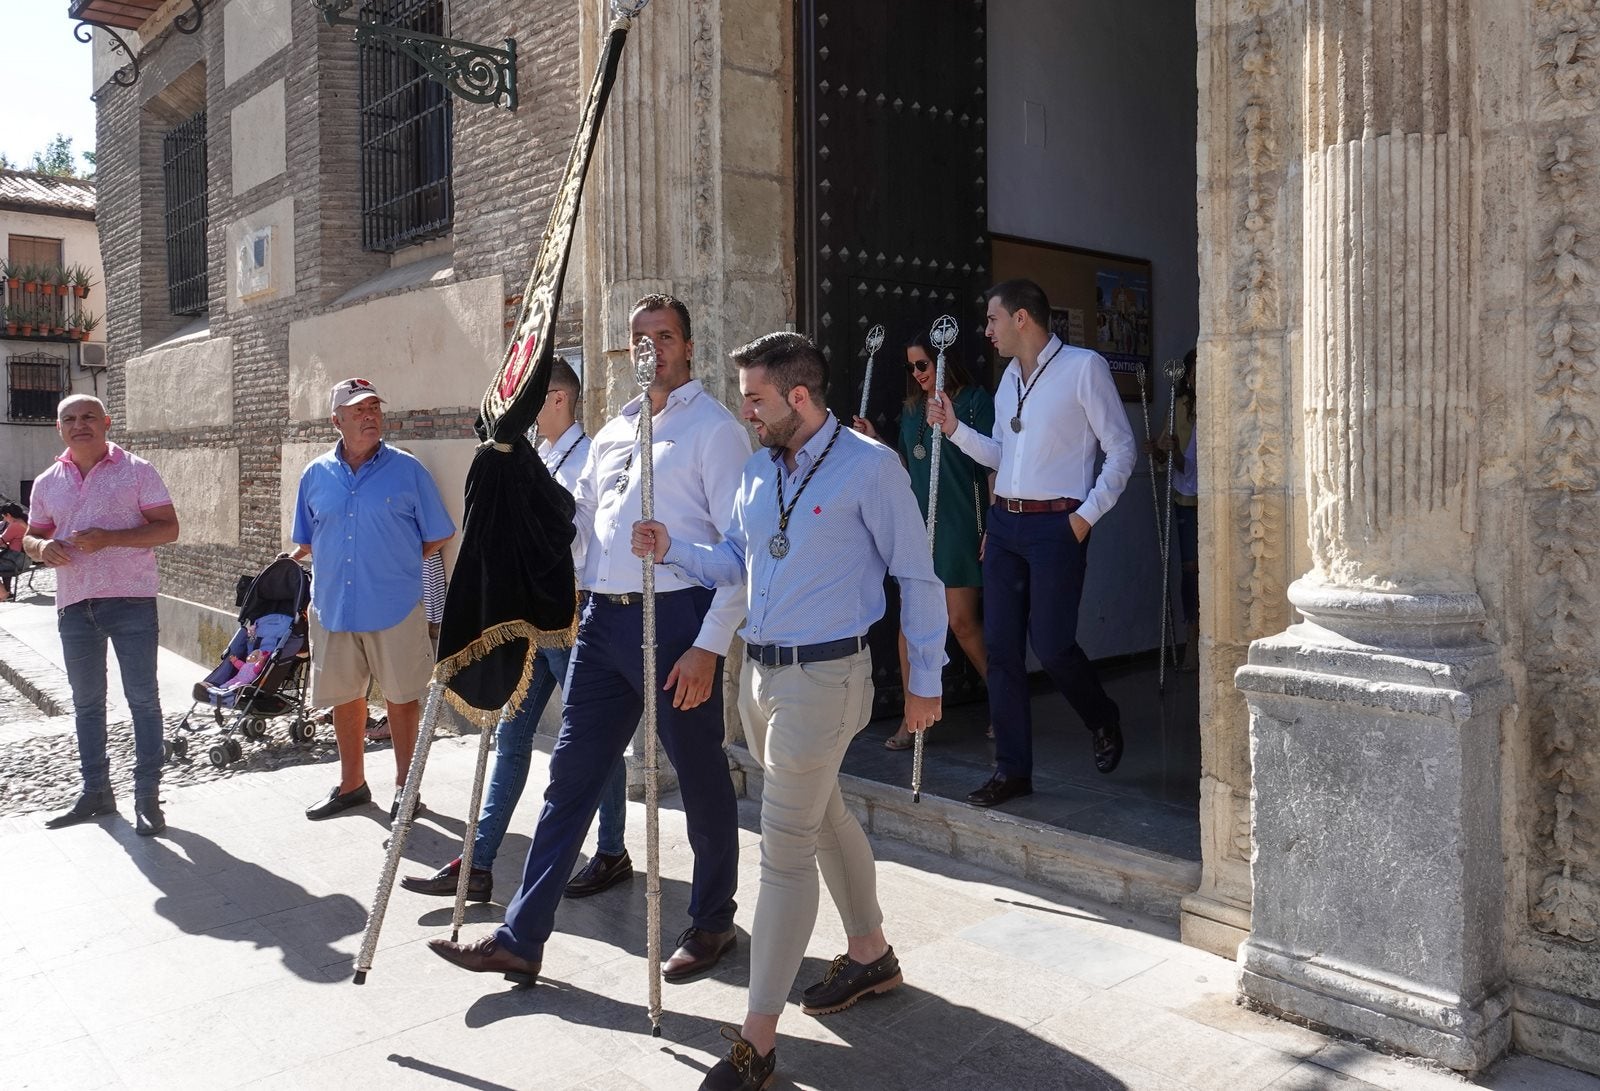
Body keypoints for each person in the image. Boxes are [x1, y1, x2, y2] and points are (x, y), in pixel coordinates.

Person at [633, 331, 947, 1091]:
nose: (747, 412)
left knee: (782, 847)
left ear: (798, 398)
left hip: (829, 678)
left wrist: (926, 680)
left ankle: (756, 1040)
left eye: (756, 399)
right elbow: (736, 565)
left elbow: (919, 575)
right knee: (823, 813)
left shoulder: (872, 469)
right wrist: (674, 546)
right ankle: (871, 951)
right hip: (763, 680)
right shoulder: (755, 470)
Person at [427, 294, 749, 985]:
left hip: (677, 617)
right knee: (570, 776)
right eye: (639, 338)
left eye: (664, 337)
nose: (651, 349)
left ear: (689, 347)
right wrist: (513, 482)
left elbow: (740, 551)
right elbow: (581, 534)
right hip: (601, 622)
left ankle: (713, 917)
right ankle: (522, 933)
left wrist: (710, 643)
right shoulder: (612, 433)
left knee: (697, 776)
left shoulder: (714, 431)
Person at [400, 358, 634, 903]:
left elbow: (583, 538)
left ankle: (612, 849)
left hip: (571, 613)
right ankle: (478, 864)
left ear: (555, 398)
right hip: (529, 617)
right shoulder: (536, 454)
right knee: (510, 737)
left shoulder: (591, 455)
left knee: (590, 739)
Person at [928, 278, 1136, 808]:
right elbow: (1004, 457)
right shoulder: (1006, 384)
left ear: (1022, 318)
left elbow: (1122, 451)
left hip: (1057, 528)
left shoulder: (1083, 368)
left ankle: (1104, 715)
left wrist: (1084, 518)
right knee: (1000, 652)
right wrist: (954, 430)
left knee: (1052, 644)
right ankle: (1013, 770)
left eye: (993, 319)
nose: (987, 330)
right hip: (1005, 526)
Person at [291, 377, 456, 822]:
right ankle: (351, 786)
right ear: (336, 420)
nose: (369, 416)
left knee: (402, 698)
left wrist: (393, 562)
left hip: (395, 606)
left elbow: (438, 533)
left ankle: (407, 788)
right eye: (359, 410)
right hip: (333, 608)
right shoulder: (314, 475)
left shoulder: (408, 470)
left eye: (374, 409)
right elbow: (306, 539)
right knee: (345, 698)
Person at [23, 394, 180, 835]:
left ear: (107, 422)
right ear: (59, 428)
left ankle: (147, 798)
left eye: (89, 416)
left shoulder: (137, 470)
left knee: (143, 701)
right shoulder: (46, 482)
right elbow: (31, 536)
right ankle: (96, 793)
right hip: (74, 607)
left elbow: (168, 528)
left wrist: (110, 538)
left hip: (131, 601)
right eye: (69, 419)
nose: (80, 425)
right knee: (87, 706)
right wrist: (41, 547)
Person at [853, 329, 994, 749]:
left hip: (959, 522)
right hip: (920, 524)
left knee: (961, 622)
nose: (916, 373)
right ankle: (914, 722)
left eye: (923, 364)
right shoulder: (913, 409)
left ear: (943, 360)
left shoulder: (974, 401)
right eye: (911, 366)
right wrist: (875, 441)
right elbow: (906, 468)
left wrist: (994, 522)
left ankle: (1006, 702)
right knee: (911, 623)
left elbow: (992, 460)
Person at [1147, 349, 1200, 672]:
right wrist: (1159, 449)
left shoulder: (1219, 406)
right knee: (1190, 569)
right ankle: (1192, 637)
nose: (1196, 378)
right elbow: (1167, 459)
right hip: (1186, 500)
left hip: (1215, 499)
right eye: (1193, 372)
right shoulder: (1177, 406)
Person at [0, 503, 29, 601]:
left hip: (16, 559)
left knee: (3, 564)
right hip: (25, 558)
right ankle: (6, 591)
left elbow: (2, 540)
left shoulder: (15, 525)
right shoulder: (24, 521)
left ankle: (3, 593)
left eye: (4, 517)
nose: (5, 519)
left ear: (8, 515)